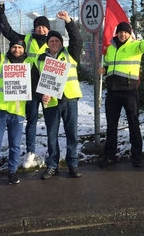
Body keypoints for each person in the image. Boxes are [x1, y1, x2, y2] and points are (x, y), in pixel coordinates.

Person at [0, 3, 48, 169]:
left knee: (52, 122)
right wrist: (0, 11)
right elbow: (7, 31)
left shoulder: (54, 42)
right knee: (31, 121)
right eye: (38, 27)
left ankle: (53, 153)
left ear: (48, 29)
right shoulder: (25, 39)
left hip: (48, 88)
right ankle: (31, 152)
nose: (40, 30)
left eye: (43, 27)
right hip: (30, 89)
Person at [98, 22, 144, 168]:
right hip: (112, 92)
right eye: (120, 32)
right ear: (116, 33)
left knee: (133, 123)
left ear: (129, 34)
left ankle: (137, 156)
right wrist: (104, 69)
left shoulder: (136, 45)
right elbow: (108, 64)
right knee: (111, 126)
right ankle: (110, 155)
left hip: (130, 92)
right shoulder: (110, 48)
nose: (122, 34)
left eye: (125, 32)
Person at [0, 23, 34, 189]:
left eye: (20, 47)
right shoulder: (0, 60)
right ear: (10, 49)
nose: (17, 50)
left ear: (24, 50)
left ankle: (12, 171)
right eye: (14, 47)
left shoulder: (29, 64)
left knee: (15, 145)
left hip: (17, 111)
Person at [36, 11, 84, 180]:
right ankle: (52, 165)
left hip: (69, 99)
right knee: (51, 135)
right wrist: (42, 95)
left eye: (57, 41)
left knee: (72, 135)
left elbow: (77, 39)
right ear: (47, 44)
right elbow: (36, 80)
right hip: (51, 102)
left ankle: (73, 164)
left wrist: (68, 22)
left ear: (61, 43)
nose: (54, 43)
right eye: (51, 41)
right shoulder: (40, 59)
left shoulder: (70, 54)